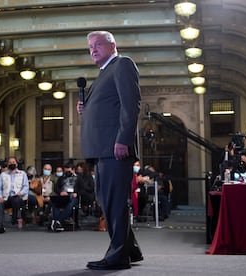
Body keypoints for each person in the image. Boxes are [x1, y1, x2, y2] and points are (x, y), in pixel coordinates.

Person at [77, 30, 143, 270]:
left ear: (112, 45)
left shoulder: (122, 64)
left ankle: (117, 256)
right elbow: (108, 107)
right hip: (102, 149)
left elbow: (131, 104)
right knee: (108, 201)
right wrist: (87, 109)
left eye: (97, 45)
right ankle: (130, 249)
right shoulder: (104, 73)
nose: (92, 49)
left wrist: (123, 139)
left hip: (114, 148)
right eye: (90, 47)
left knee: (113, 202)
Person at [0, 156, 29, 234]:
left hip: (18, 197)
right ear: (7, 164)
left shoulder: (22, 174)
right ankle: (0, 226)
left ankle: (14, 218)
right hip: (6, 197)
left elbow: (26, 187)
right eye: (10, 162)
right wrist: (0, 197)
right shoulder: (3, 175)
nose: (12, 164)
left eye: (13, 162)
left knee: (16, 200)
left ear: (16, 164)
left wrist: (21, 193)